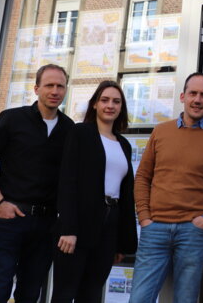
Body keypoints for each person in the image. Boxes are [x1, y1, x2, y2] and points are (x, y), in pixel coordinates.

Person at [128, 72, 203, 303]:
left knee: (186, 299)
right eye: (193, 93)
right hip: (155, 228)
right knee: (139, 298)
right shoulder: (161, 132)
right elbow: (142, 177)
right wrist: (144, 217)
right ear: (183, 96)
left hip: (193, 232)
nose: (197, 100)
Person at [0, 64, 75, 303]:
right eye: (49, 85)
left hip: (46, 225)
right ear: (36, 88)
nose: (55, 91)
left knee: (29, 294)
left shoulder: (69, 129)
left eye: (60, 86)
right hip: (10, 218)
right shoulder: (12, 119)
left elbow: (71, 179)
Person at [51, 80, 138, 302]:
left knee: (91, 294)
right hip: (79, 224)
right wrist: (68, 228)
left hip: (109, 226)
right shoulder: (80, 133)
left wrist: (121, 242)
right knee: (64, 293)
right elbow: (68, 181)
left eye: (116, 102)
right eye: (105, 100)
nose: (110, 105)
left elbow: (126, 193)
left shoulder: (124, 144)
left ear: (121, 107)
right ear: (95, 104)